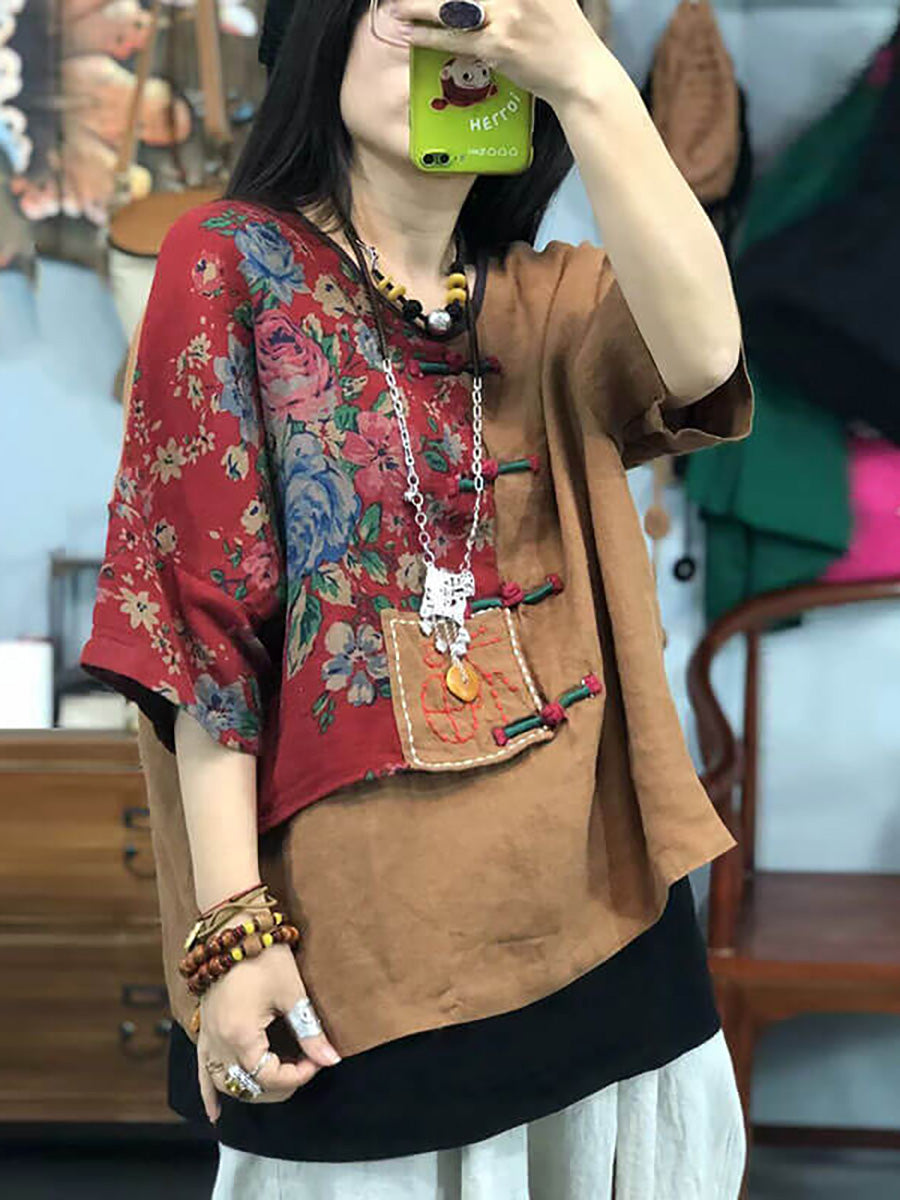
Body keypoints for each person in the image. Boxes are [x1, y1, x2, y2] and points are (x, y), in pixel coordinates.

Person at [81, 1, 755, 1196]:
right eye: (418, 9)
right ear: (325, 28)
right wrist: (232, 932)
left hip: (608, 923)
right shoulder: (231, 261)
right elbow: (201, 631)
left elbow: (703, 358)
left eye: (485, 15)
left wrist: (591, 80)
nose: (456, 43)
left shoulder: (553, 301)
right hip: (359, 950)